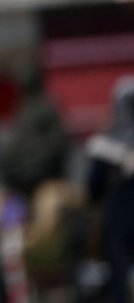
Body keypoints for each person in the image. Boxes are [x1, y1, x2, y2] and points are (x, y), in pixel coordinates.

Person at [86, 77, 134, 303]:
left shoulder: (106, 144)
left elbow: (93, 189)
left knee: (119, 279)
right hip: (119, 218)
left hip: (119, 218)